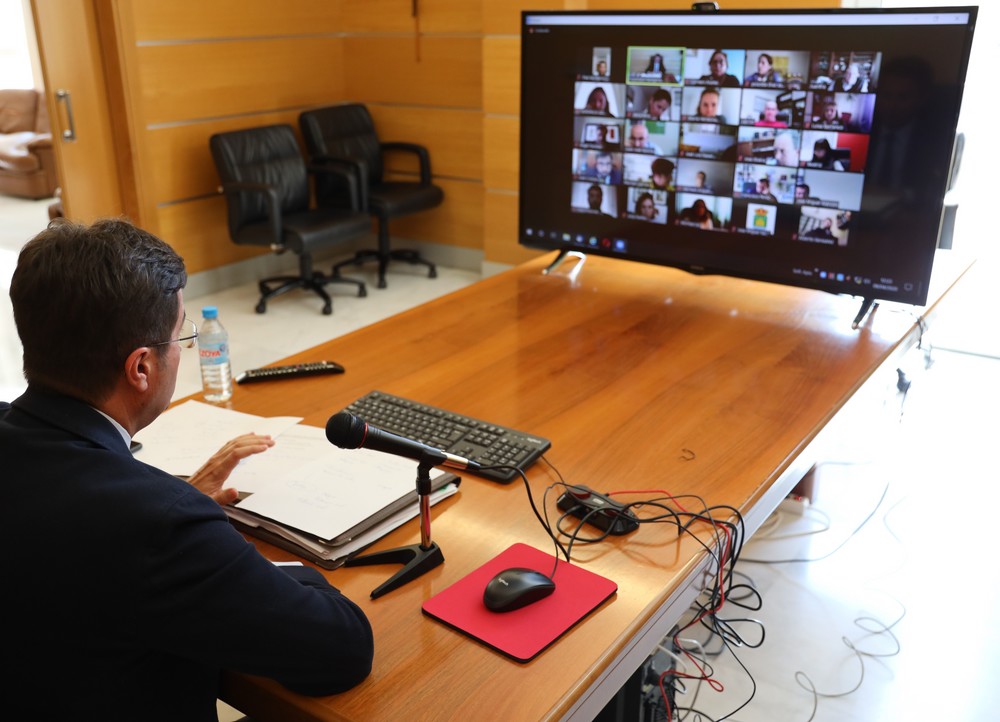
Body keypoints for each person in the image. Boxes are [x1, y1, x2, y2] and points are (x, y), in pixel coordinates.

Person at [2, 218, 374, 720]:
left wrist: (184, 502)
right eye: (180, 334)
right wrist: (210, 538)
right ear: (141, 367)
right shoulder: (159, 524)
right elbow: (341, 650)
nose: (182, 349)